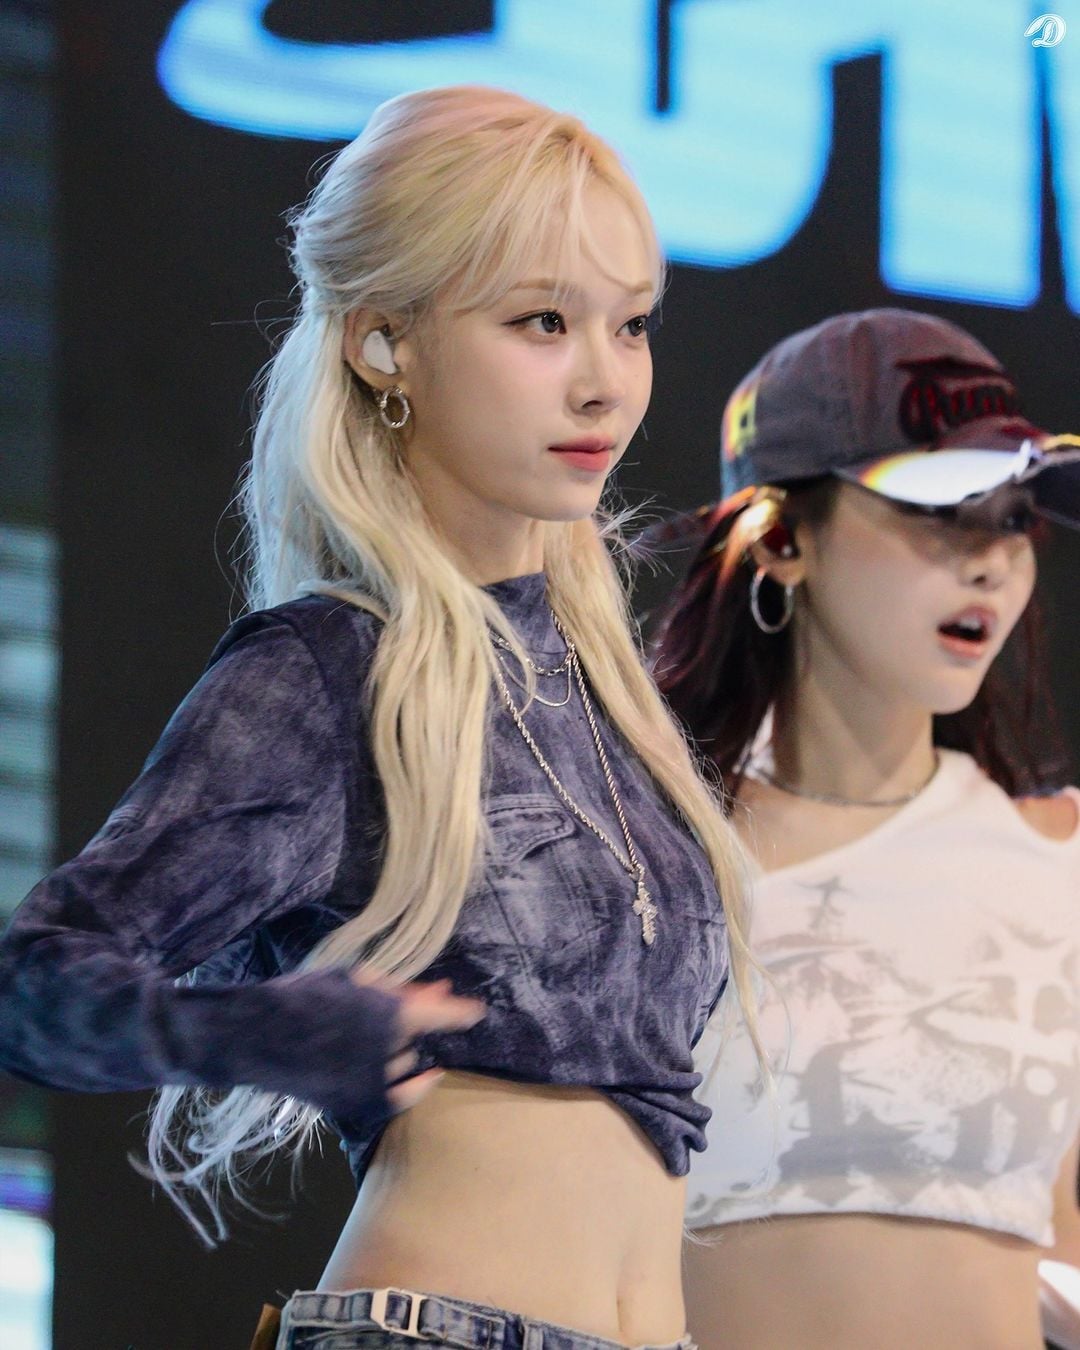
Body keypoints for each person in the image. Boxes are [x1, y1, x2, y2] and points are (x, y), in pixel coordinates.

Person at [0, 86, 755, 1350]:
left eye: (629, 326)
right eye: (542, 321)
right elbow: (33, 984)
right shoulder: (329, 671)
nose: (602, 383)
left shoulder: (609, 700)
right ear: (383, 343)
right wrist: (256, 1032)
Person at [648, 308, 1080, 1349]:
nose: (992, 561)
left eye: (1013, 515)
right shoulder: (645, 850)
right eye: (944, 510)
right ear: (783, 538)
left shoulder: (1062, 860)